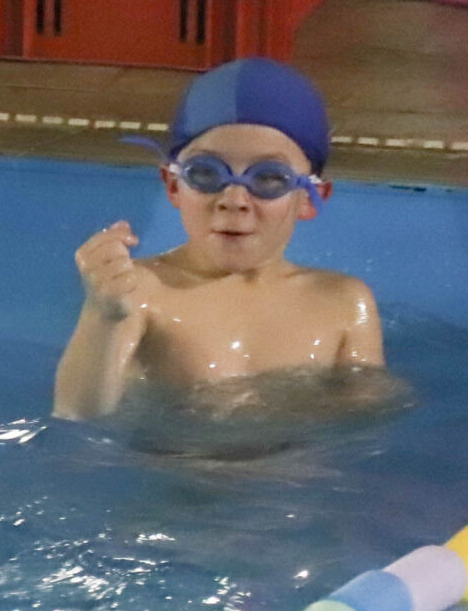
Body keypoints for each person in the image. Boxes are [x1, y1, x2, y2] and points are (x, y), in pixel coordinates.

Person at [54, 58, 383, 420]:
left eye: (269, 178)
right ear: (173, 186)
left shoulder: (343, 304)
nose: (234, 199)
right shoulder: (141, 291)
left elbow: (363, 423)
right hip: (172, 457)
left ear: (309, 198)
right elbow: (77, 414)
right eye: (206, 173)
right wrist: (102, 316)